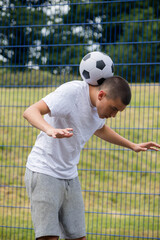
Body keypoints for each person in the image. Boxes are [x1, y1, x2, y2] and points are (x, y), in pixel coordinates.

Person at [23, 75, 160, 240]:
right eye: (114, 108)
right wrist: (49, 129)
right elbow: (30, 111)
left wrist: (132, 145)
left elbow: (100, 129)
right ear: (101, 95)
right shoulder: (72, 92)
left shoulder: (98, 109)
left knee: (78, 237)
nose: (114, 115)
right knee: (49, 237)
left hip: (70, 176)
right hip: (44, 171)